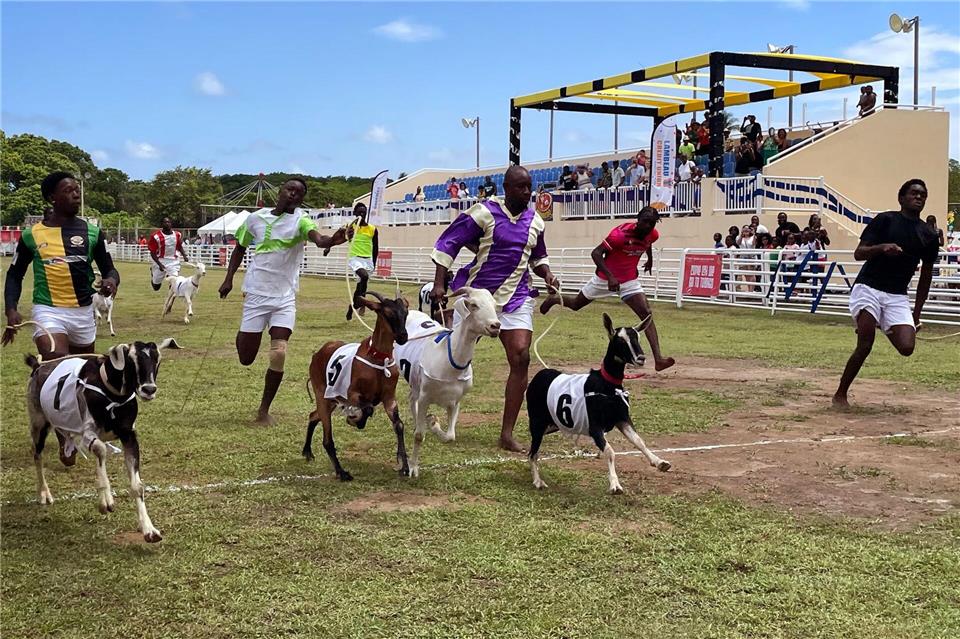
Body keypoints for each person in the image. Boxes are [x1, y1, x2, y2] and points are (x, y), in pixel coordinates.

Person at [430, 165, 559, 452]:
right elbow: (448, 242)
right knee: (451, 360)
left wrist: (548, 275)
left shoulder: (536, 222)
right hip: (478, 298)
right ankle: (431, 402)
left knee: (521, 356)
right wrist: (440, 284)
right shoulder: (484, 212)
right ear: (506, 187)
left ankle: (507, 434)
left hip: (516, 298)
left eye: (529, 187)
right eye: (520, 187)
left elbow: (538, 258)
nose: (527, 192)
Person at [218, 178, 346, 426]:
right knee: (246, 357)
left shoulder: (301, 220)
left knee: (278, 352)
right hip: (256, 294)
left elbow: (318, 239)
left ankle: (263, 411)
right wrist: (228, 278)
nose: (293, 195)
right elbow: (240, 248)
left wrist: (332, 240)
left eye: (299, 194)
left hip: (284, 298)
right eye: (290, 190)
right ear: (280, 191)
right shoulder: (255, 219)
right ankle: (245, 333)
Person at [833, 180, 939, 408]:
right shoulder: (885, 220)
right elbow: (858, 253)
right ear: (901, 198)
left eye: (923, 194)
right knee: (865, 343)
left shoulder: (928, 235)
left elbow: (926, 277)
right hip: (868, 287)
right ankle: (840, 394)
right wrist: (882, 248)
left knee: (907, 348)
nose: (919, 197)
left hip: (897, 295)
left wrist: (916, 314)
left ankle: (880, 320)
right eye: (913, 193)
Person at [540, 206, 675, 372]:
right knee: (576, 304)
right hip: (604, 279)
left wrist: (650, 259)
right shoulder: (619, 235)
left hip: (628, 281)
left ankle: (658, 359)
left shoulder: (652, 234)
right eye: (645, 222)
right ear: (637, 220)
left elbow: (648, 243)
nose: (648, 227)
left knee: (646, 313)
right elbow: (596, 254)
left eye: (652, 224)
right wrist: (610, 276)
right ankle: (555, 299)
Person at [4, 170, 120, 360]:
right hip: (48, 310)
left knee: (82, 373)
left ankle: (41, 382)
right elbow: (15, 275)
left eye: (77, 190)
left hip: (84, 312)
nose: (76, 194)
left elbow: (110, 269)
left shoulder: (93, 232)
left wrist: (111, 280)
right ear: (52, 198)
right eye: (68, 190)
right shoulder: (31, 235)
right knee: (57, 358)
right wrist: (11, 309)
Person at [345, 202, 379, 319]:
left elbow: (375, 247)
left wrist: (374, 263)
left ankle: (353, 306)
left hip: (368, 260)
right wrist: (328, 247)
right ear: (354, 213)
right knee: (364, 277)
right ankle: (362, 302)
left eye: (364, 212)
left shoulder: (372, 229)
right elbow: (338, 238)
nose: (361, 214)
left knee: (360, 287)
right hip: (355, 258)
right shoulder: (350, 227)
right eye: (359, 212)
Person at [148, 216, 189, 291]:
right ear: (161, 224)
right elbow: (153, 253)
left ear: (171, 224)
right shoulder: (156, 236)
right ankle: (153, 274)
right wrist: (159, 264)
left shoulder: (177, 235)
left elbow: (179, 246)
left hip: (173, 261)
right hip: (160, 260)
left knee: (174, 282)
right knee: (156, 287)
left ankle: (170, 298)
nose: (167, 224)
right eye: (165, 222)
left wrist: (184, 255)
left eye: (168, 222)